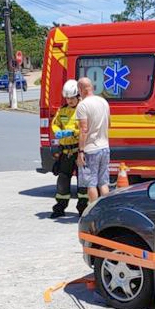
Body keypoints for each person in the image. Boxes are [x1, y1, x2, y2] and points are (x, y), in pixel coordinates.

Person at [76, 77, 111, 203]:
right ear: (91, 87)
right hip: (105, 147)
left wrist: (80, 152)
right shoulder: (103, 102)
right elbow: (109, 124)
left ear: (80, 89)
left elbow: (83, 130)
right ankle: (106, 210)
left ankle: (93, 212)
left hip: (91, 150)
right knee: (103, 183)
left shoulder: (82, 106)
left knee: (91, 184)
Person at [49, 79, 81, 219]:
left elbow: (85, 129)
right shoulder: (62, 110)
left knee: (83, 182)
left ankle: (83, 209)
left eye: (72, 98)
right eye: (67, 98)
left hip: (78, 150)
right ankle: (60, 207)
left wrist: (73, 132)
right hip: (65, 151)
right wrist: (57, 131)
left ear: (78, 96)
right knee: (63, 179)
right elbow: (55, 124)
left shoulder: (82, 110)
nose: (69, 101)